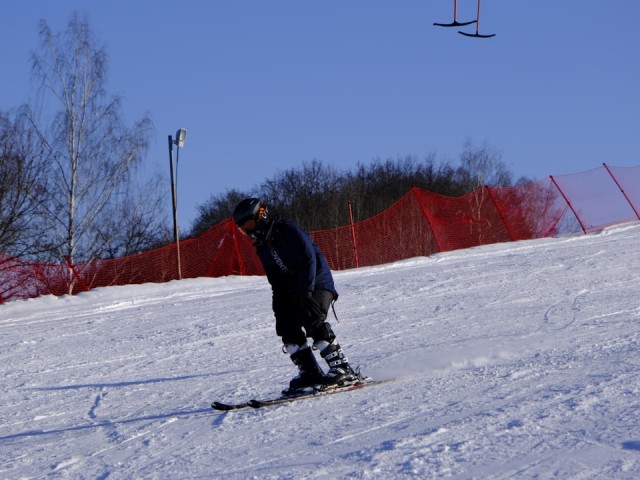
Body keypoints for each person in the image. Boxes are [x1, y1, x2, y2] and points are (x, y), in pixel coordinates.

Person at [232, 197, 358, 394]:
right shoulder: (263, 246)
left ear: (261, 215)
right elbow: (276, 281)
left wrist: (306, 290)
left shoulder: (287, 230)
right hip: (295, 289)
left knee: (310, 316)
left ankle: (343, 369)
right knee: (286, 326)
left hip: (317, 283)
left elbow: (309, 260)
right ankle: (310, 373)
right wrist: (279, 304)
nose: (247, 231)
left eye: (248, 224)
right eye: (242, 229)